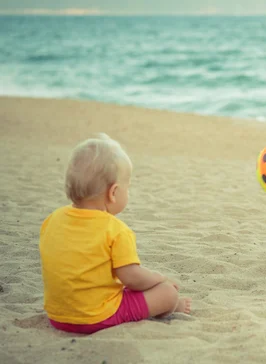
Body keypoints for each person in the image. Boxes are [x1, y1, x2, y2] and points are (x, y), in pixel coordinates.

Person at [39, 133, 192, 334]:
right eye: (127, 188)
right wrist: (159, 278)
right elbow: (132, 278)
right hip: (96, 317)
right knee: (167, 293)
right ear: (113, 192)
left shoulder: (53, 219)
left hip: (58, 316)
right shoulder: (116, 229)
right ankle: (174, 307)